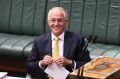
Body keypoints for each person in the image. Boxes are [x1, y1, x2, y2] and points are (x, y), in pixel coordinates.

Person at [26, 7, 91, 79]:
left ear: (66, 22)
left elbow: (88, 64)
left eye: (59, 20)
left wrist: (70, 62)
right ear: (48, 22)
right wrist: (42, 62)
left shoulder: (77, 40)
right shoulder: (39, 41)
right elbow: (29, 66)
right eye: (53, 20)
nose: (56, 24)